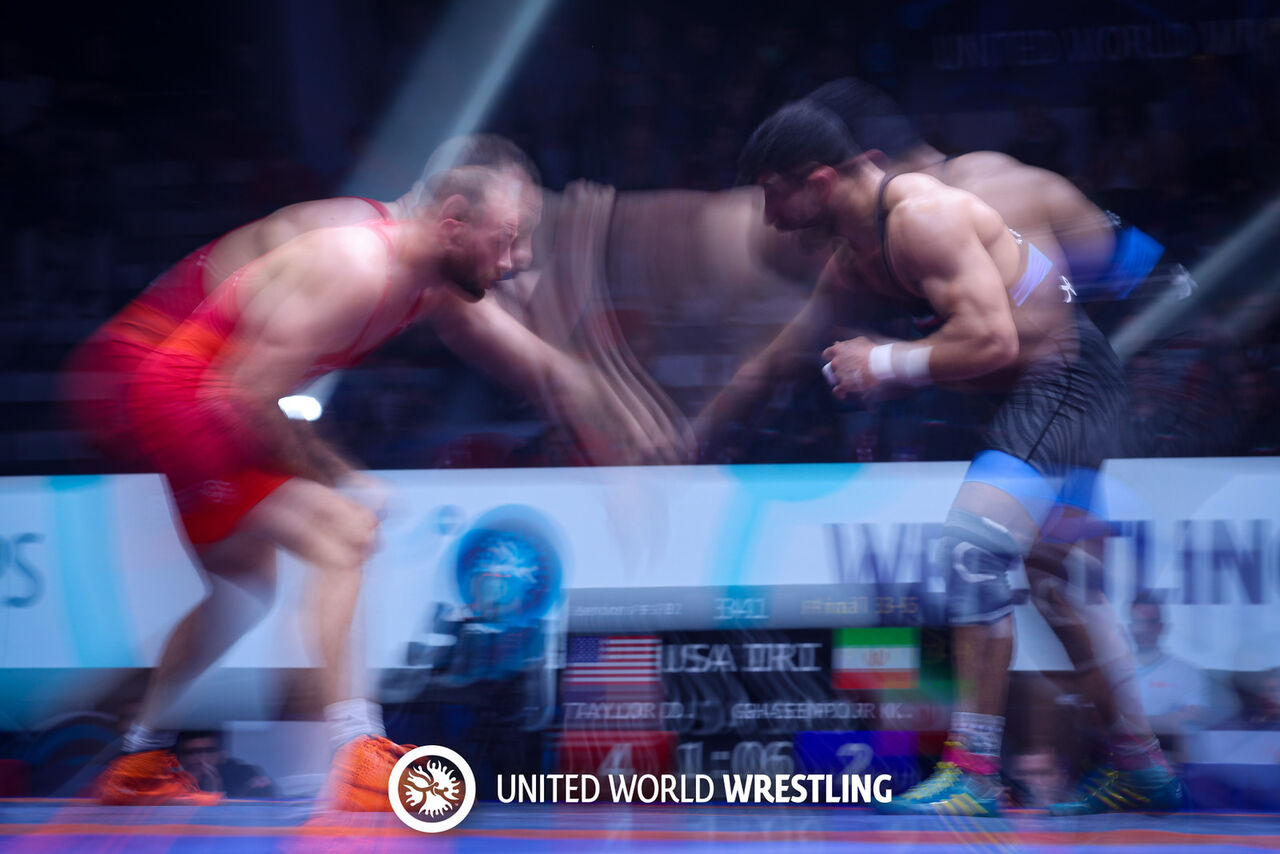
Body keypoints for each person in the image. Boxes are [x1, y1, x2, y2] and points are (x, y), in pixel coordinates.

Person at [75, 149, 666, 809]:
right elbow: (244, 393)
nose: (517, 259)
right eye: (506, 239)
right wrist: (342, 478)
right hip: (190, 396)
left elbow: (540, 364)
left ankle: (137, 758)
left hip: (203, 393)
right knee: (343, 534)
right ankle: (356, 752)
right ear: (451, 224)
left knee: (242, 589)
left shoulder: (428, 279)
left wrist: (618, 408)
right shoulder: (358, 263)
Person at [732, 92, 1179, 817]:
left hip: (1062, 382)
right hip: (1034, 398)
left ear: (818, 181)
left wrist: (885, 363)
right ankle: (1140, 765)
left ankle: (972, 772)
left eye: (771, 192)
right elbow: (796, 343)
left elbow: (994, 340)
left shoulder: (921, 216)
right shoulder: (856, 254)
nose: (768, 216)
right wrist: (718, 418)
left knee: (973, 553)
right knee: (1056, 587)